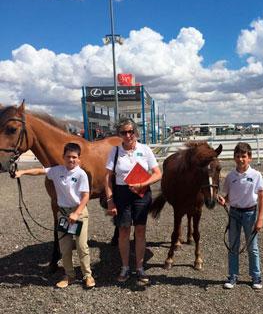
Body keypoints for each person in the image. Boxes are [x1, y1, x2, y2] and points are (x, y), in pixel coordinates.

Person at [15, 142, 95, 289]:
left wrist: (76, 213)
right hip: (63, 214)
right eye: (68, 157)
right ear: (63, 157)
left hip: (79, 213)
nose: (71, 160)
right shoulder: (57, 170)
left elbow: (85, 197)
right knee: (64, 248)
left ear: (78, 158)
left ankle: (87, 275)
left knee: (82, 246)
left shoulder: (81, 174)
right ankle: (69, 275)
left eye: (74, 157)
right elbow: (39, 171)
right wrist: (22, 173)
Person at [104, 118, 162, 285]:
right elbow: (107, 178)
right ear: (119, 134)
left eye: (131, 131)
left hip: (141, 193)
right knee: (123, 230)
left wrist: (143, 184)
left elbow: (158, 173)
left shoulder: (145, 150)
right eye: (124, 132)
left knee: (140, 231)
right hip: (122, 194)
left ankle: (139, 267)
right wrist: (110, 200)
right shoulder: (115, 151)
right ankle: (124, 267)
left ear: (135, 132)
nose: (128, 135)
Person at [217, 142, 263, 290]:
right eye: (238, 156)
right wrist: (223, 200)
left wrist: (260, 219)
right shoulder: (230, 176)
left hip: (250, 213)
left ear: (249, 158)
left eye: (244, 156)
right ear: (234, 158)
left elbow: (262, 197)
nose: (241, 159)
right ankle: (232, 275)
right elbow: (228, 197)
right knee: (233, 246)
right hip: (234, 214)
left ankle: (256, 276)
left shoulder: (256, 175)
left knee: (252, 247)